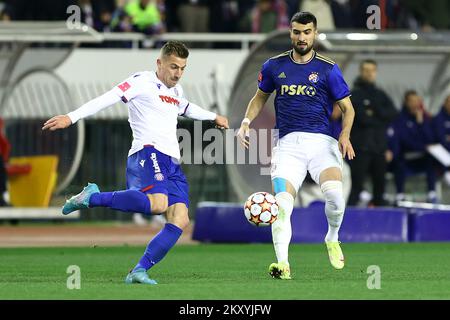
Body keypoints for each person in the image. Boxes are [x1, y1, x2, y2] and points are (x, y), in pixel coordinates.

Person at [42, 41, 229, 285]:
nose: (178, 73)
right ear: (159, 63)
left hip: (172, 162)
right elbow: (108, 98)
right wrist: (71, 117)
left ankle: (138, 271)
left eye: (182, 68)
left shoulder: (176, 91)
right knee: (158, 204)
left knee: (180, 219)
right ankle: (91, 198)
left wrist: (214, 117)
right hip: (147, 152)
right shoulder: (141, 81)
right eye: (173, 67)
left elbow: (186, 108)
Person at [237, 12, 355, 279]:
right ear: (290, 33)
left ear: (314, 34)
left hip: (322, 144)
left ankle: (332, 238)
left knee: (336, 197)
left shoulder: (328, 68)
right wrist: (246, 121)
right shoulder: (273, 66)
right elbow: (259, 98)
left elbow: (348, 109)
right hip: (288, 146)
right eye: (296, 32)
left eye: (307, 32)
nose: (301, 37)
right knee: (282, 206)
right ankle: (283, 264)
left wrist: (345, 135)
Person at [347, 59, 397, 207]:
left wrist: (375, 111)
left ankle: (380, 225)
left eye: (372, 70)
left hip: (379, 148)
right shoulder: (354, 94)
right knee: (356, 187)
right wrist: (381, 117)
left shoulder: (380, 94)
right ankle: (349, 222)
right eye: (366, 70)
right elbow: (362, 119)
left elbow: (393, 113)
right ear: (361, 72)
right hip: (360, 149)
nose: (369, 73)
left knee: (380, 189)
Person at [387, 90, 437, 203]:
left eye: (417, 101)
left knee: (431, 160)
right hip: (405, 157)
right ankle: (400, 195)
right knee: (398, 161)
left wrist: (420, 123)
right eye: (412, 101)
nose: (415, 104)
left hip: (421, 157)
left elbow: (430, 138)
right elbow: (405, 140)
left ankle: (432, 193)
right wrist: (422, 146)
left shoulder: (424, 118)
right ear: (406, 102)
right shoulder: (399, 119)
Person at [432, 95, 450, 186]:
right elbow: (441, 138)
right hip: (442, 151)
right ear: (445, 103)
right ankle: (445, 173)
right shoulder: (438, 118)